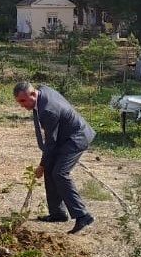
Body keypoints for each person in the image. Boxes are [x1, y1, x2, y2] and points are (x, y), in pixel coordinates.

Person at [13, 81, 96, 234]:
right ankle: (58, 213)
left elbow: (50, 143)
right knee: (51, 168)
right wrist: (46, 165)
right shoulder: (42, 91)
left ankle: (82, 215)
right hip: (64, 137)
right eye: (19, 102)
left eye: (23, 101)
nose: (21, 105)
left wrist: (41, 166)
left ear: (33, 93)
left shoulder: (48, 110)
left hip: (76, 138)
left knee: (59, 173)